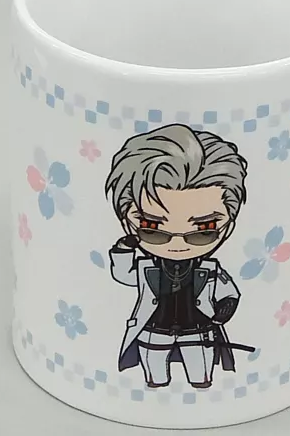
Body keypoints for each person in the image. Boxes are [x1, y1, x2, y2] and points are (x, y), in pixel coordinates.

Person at [105, 123, 251, 389]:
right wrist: (124, 250)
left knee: (201, 375)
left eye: (203, 230)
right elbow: (123, 275)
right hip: (153, 332)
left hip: (198, 332)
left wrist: (225, 308)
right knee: (155, 377)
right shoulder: (146, 266)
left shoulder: (210, 269)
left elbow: (229, 292)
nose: (177, 244)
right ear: (128, 223)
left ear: (227, 227)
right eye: (152, 229)